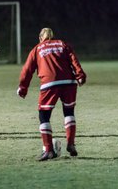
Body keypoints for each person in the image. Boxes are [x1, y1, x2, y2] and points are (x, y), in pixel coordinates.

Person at [17, 27, 86, 161]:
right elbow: (73, 60)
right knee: (69, 112)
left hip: (50, 83)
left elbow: (27, 69)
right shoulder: (62, 44)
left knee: (44, 116)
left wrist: (23, 87)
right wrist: (80, 75)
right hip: (69, 82)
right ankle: (71, 143)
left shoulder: (37, 48)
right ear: (52, 37)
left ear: (40, 38)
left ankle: (48, 150)